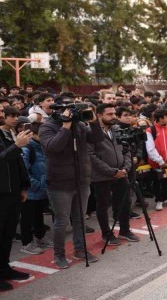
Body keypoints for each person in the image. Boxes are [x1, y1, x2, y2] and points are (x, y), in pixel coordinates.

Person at [39, 100, 104, 269]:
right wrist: (65, 127)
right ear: (57, 112)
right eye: (67, 111)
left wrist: (94, 121)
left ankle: (80, 249)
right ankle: (59, 255)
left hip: (81, 180)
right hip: (59, 183)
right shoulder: (47, 127)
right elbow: (54, 147)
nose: (70, 114)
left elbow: (98, 139)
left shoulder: (80, 125)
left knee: (80, 218)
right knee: (61, 221)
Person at [88, 104, 139, 246]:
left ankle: (125, 230)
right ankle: (106, 233)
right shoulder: (91, 131)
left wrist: (126, 168)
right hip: (102, 176)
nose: (114, 116)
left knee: (125, 202)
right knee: (103, 205)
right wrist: (112, 172)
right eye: (109, 114)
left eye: (114, 113)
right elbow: (91, 156)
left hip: (122, 173)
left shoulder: (117, 129)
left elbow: (126, 149)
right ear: (99, 115)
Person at [0, 105, 32, 290]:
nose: (3, 116)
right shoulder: (12, 139)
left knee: (7, 234)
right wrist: (16, 146)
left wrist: (23, 187)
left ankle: (4, 268)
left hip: (12, 192)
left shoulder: (8, 134)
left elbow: (17, 163)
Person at [19, 122, 54, 255]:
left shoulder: (44, 147)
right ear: (33, 134)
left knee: (39, 216)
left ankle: (40, 237)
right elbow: (24, 172)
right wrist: (37, 184)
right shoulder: (27, 149)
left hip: (42, 190)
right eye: (41, 135)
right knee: (27, 218)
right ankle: (27, 243)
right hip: (31, 191)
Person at [145, 109, 167, 211]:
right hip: (156, 163)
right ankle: (159, 200)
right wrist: (160, 161)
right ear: (160, 118)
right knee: (157, 181)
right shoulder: (151, 130)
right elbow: (150, 148)